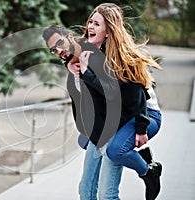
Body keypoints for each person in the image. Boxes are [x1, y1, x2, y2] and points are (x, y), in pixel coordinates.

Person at [42, 4, 162, 200]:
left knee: (108, 191)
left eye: (97, 23)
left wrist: (141, 128)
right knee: (86, 191)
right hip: (108, 123)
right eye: (53, 50)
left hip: (136, 115)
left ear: (109, 30)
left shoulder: (116, 56)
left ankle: (148, 170)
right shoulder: (80, 57)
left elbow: (132, 96)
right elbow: (84, 102)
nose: (58, 51)